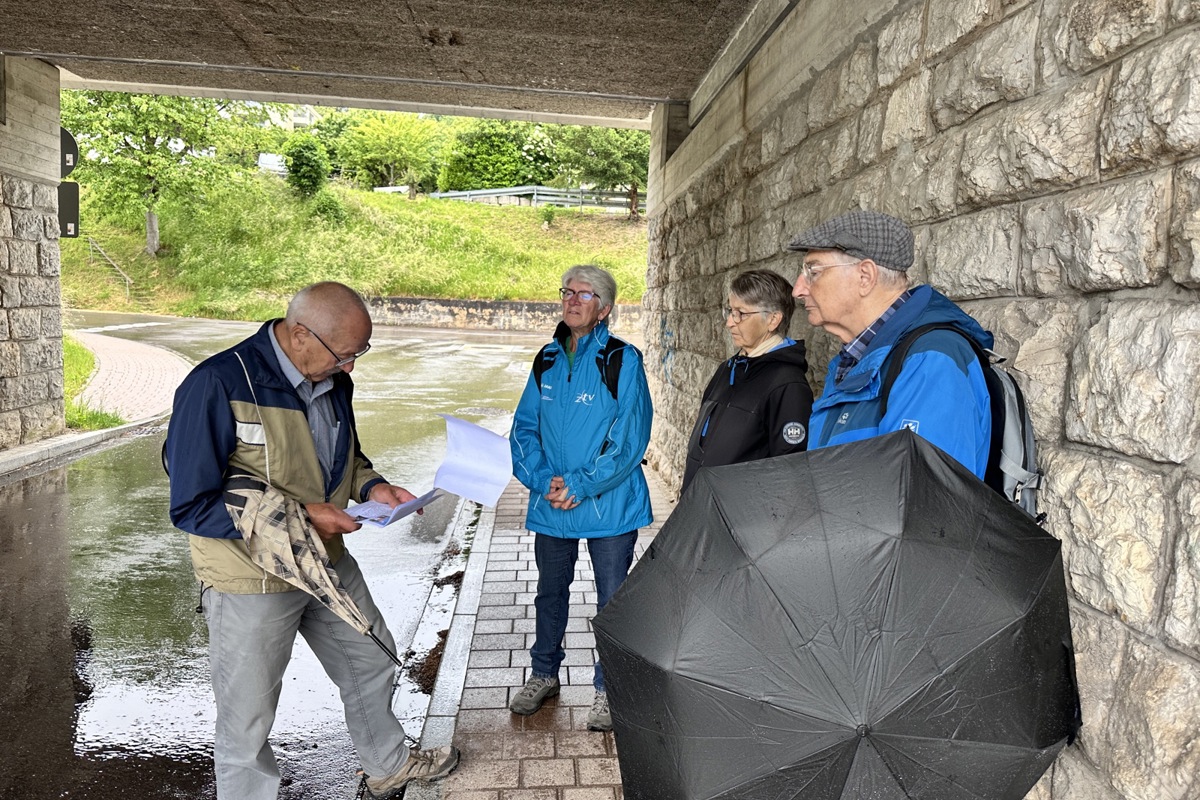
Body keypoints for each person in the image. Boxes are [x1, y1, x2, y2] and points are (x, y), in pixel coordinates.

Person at [164, 282, 460, 800]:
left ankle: (388, 765)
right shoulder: (217, 384)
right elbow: (191, 505)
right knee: (248, 716)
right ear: (300, 335)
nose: (350, 368)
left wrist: (372, 486)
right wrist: (304, 516)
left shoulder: (332, 378)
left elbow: (345, 457)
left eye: (358, 354)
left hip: (326, 561)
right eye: (344, 355)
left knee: (372, 659)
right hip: (250, 579)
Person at [509, 264, 653, 732]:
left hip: (607, 507)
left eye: (584, 295)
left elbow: (629, 439)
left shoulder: (622, 360)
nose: (572, 300)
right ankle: (544, 673)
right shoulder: (546, 359)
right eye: (567, 291)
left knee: (611, 601)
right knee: (550, 593)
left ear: (605, 309)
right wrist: (543, 480)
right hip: (552, 507)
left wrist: (581, 485)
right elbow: (524, 429)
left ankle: (608, 687)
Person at [787, 210, 993, 477]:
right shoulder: (853, 360)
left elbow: (922, 507)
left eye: (813, 271)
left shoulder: (930, 361)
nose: (798, 289)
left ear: (865, 276)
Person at [682, 269, 814, 492]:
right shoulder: (728, 369)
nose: (729, 323)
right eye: (730, 311)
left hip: (738, 519)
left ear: (773, 319)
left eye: (740, 313)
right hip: (702, 508)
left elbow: (788, 470)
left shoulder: (788, 385)